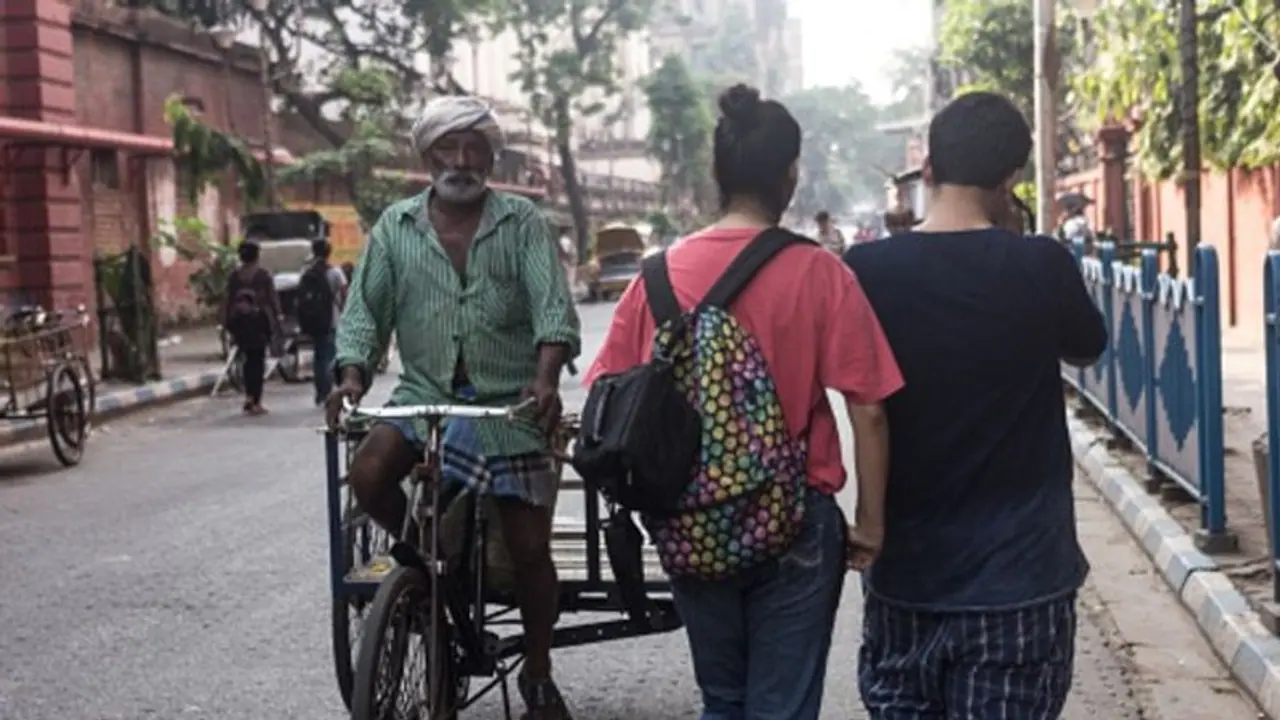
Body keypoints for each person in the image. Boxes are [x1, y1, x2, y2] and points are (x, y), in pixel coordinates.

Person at [587, 84, 902, 720]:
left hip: (688, 520)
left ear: (716, 173)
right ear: (791, 174)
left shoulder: (653, 278)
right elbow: (867, 407)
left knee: (724, 700)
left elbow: (604, 395)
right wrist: (869, 523)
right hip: (795, 521)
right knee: (781, 708)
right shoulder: (819, 273)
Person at [843, 91, 1108, 719]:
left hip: (908, 581)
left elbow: (867, 408)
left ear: (927, 169)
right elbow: (1087, 349)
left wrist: (869, 522)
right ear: (1012, 176)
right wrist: (1017, 245)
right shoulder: (1041, 264)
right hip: (1022, 583)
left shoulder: (868, 270)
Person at [326, 95, 580, 720]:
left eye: (475, 148)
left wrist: (545, 380)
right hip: (423, 398)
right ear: (429, 155)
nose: (462, 160)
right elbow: (364, 316)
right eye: (449, 148)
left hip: (511, 404)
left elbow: (553, 310)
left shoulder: (521, 222)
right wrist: (351, 378)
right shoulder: (395, 228)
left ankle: (539, 672)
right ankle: (430, 570)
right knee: (366, 473)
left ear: (492, 155)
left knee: (528, 552)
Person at [223, 240, 282, 416]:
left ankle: (249, 395)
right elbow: (272, 298)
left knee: (247, 360)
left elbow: (228, 300)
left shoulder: (234, 276)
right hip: (259, 323)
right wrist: (278, 317)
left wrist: (227, 323)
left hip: (240, 323)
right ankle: (255, 399)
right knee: (258, 361)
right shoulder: (263, 275)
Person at [299, 238, 347, 405]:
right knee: (330, 356)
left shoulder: (307, 272)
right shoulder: (335, 272)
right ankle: (328, 391)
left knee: (319, 356)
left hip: (315, 320)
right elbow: (344, 295)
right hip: (332, 320)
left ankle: (320, 392)